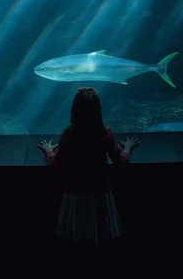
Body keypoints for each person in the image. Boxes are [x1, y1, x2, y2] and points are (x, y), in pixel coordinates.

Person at [38, 86, 139, 250]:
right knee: (101, 229)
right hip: (101, 190)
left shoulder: (69, 134)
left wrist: (49, 151)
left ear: (73, 110)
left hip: (75, 191)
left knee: (76, 231)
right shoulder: (105, 133)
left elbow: (57, 164)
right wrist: (127, 149)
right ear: (99, 110)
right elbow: (119, 162)